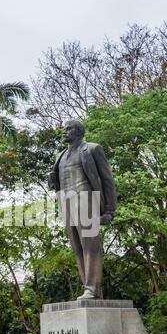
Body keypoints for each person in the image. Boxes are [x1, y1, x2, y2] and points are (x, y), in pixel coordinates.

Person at [48, 120, 117, 299]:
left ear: (79, 131)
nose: (64, 132)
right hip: (67, 204)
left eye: (68, 129)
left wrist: (109, 211)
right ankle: (91, 289)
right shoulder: (60, 156)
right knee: (78, 249)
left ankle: (91, 289)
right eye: (64, 129)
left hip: (87, 201)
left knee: (91, 247)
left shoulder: (92, 149)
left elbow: (107, 180)